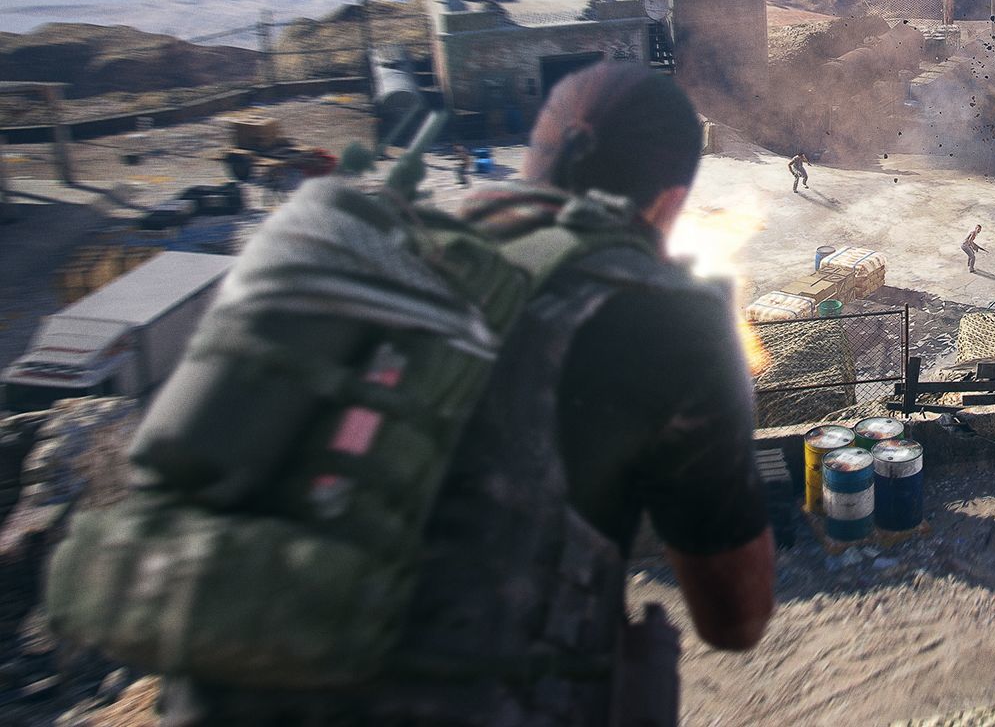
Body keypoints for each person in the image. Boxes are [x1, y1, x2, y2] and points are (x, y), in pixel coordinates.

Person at [162, 63, 773, 725]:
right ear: (670, 203)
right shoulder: (668, 316)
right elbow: (735, 619)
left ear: (532, 161)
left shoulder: (377, 255)